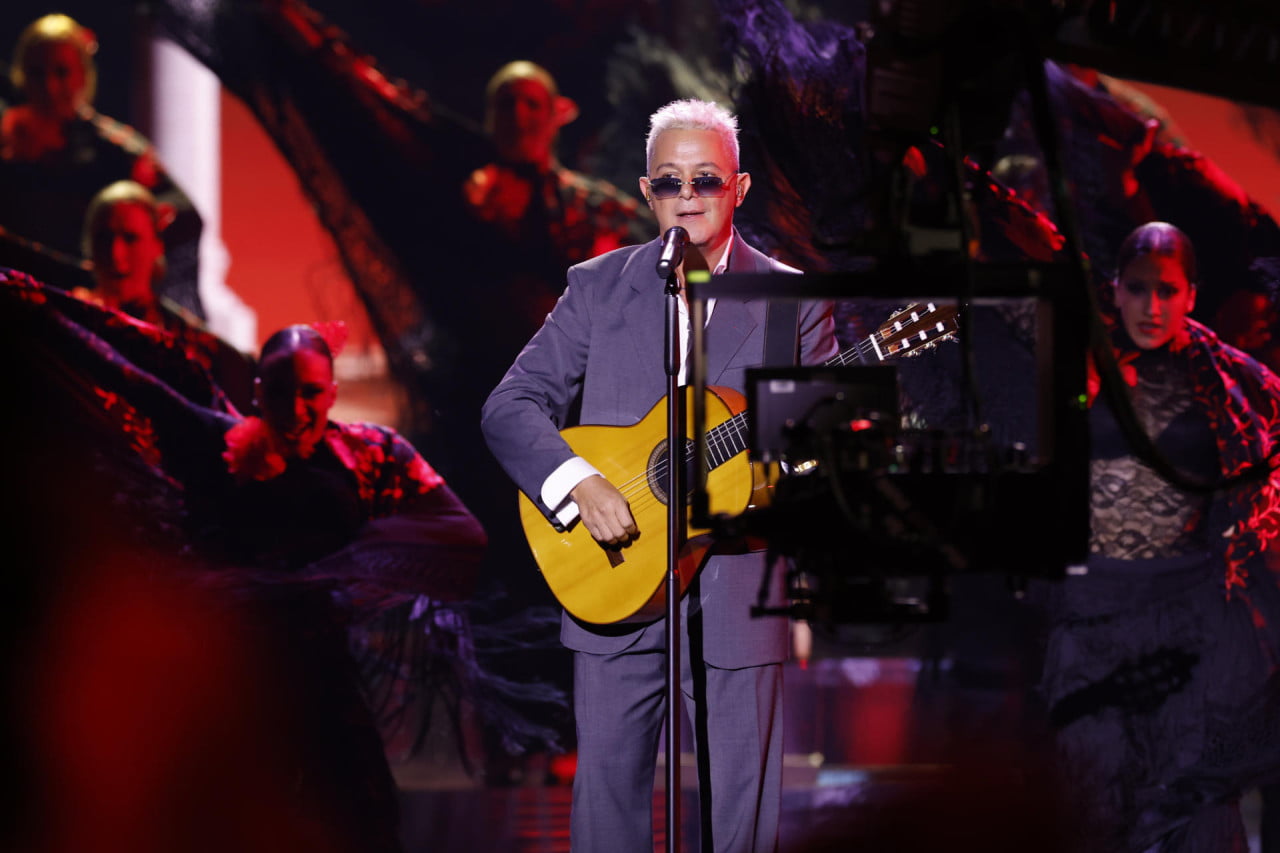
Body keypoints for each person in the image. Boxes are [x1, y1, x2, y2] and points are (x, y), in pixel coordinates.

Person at [482, 98, 838, 852]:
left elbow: (816, 457)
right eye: (670, 182)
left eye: (705, 179)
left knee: (740, 821)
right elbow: (510, 405)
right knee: (607, 812)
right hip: (613, 579)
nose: (688, 196)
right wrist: (577, 482)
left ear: (739, 187)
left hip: (738, 590)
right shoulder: (597, 287)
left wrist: (793, 462)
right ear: (647, 193)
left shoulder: (792, 301)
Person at [1041, 222, 1280, 851]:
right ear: (1116, 289)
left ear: (1191, 296)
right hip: (1093, 614)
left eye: (1168, 290)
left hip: (1190, 617)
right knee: (1092, 798)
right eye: (1139, 288)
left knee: (1200, 805)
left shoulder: (1235, 385)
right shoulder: (1073, 361)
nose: (1152, 305)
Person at [0, 13, 203, 315]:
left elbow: (185, 215)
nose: (49, 86)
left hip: (84, 306)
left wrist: (126, 260)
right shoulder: (5, 142)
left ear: (83, 76)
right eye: (37, 73)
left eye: (62, 72)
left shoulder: (113, 150)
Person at [77, 179, 255, 412]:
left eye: (130, 238)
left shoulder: (196, 346)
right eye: (104, 238)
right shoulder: (68, 319)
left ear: (157, 245)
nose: (115, 253)